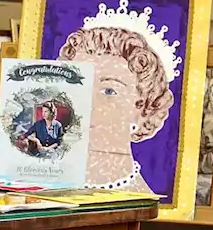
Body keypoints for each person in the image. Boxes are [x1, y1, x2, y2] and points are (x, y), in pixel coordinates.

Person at [58, 27, 174, 193]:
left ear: (142, 109)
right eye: (77, 87)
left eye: (108, 91)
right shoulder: (39, 185)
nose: (86, 103)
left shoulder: (139, 199)